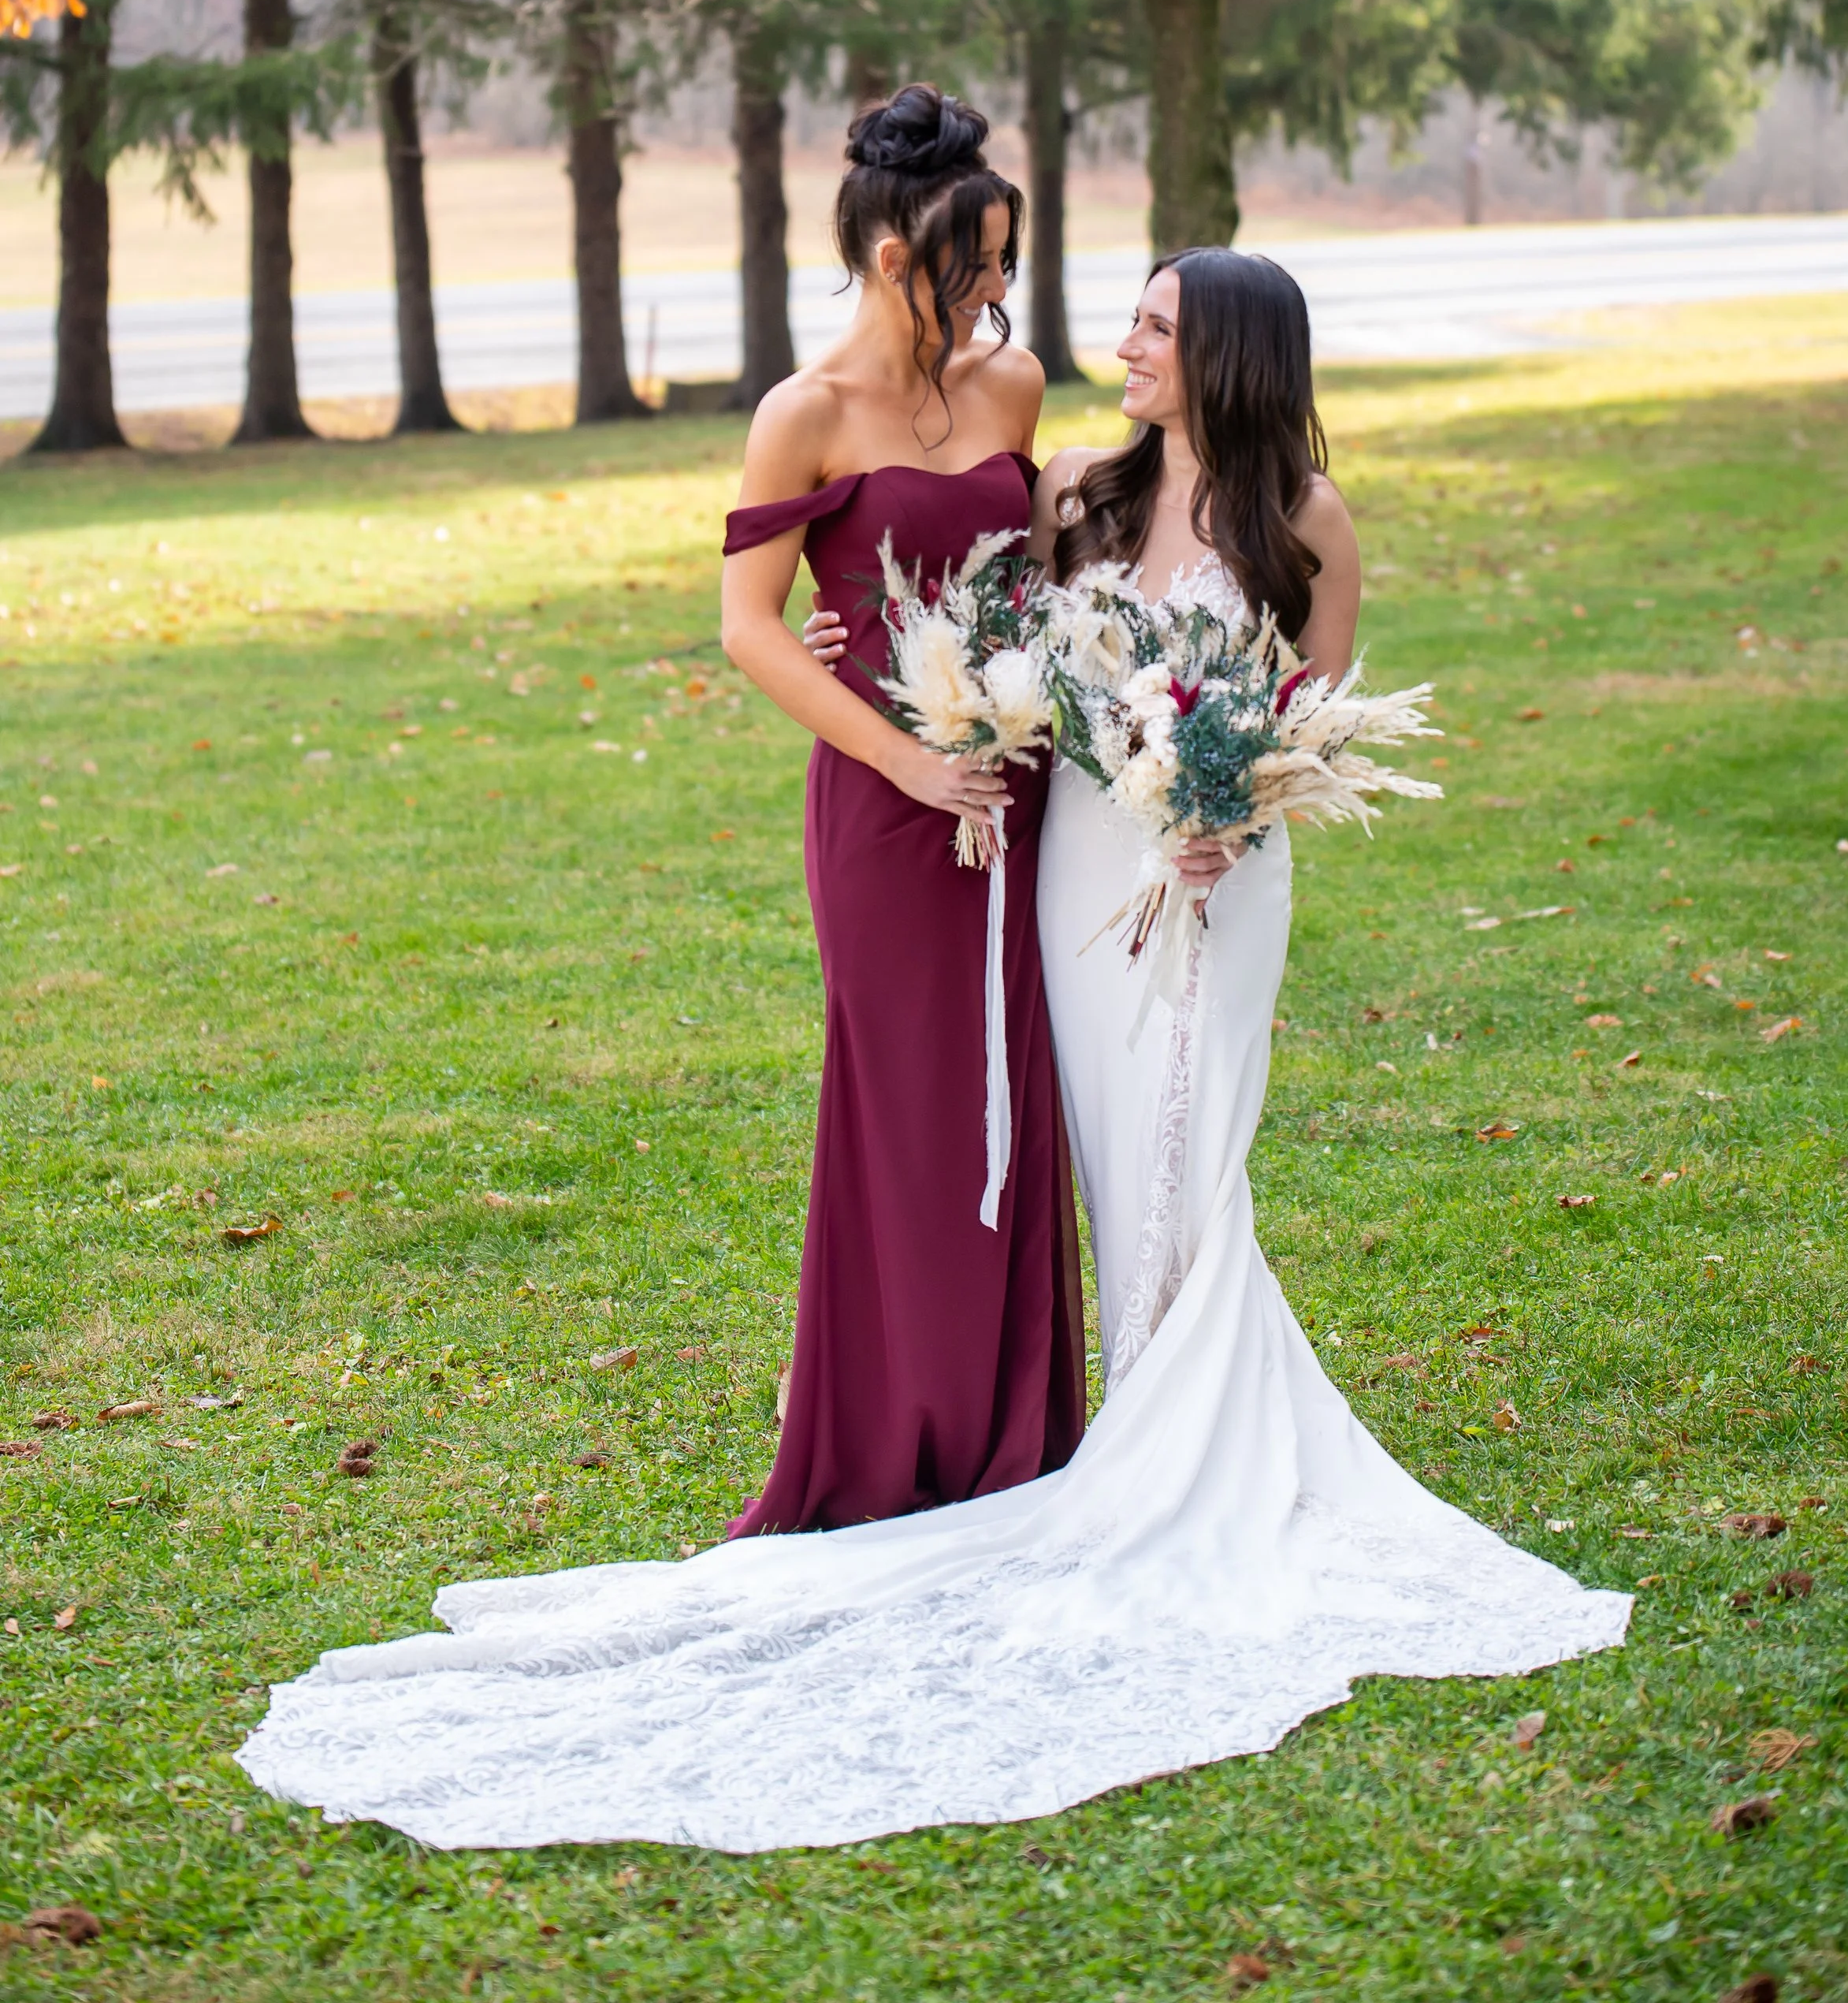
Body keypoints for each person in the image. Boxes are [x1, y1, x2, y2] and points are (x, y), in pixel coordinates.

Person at [233, 241, 1626, 1859]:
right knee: (1110, 1153)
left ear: (1232, 352)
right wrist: (854, 650)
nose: (1125, 343)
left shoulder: (1304, 520)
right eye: (1134, 320)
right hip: (1081, 869)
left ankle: (1180, 1459)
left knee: (1196, 1155)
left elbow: (1311, 710)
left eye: (1158, 327)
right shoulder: (1087, 497)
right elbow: (979, 628)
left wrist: (1230, 816)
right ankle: (1145, 1437)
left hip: (1216, 886)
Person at [716, 83, 1084, 1532]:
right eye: (974, 262)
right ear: (890, 258)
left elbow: (1044, 574)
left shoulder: (1011, 386)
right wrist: (902, 751)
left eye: (1006, 261)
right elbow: (749, 625)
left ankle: (1019, 1426)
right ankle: (891, 1433)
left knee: (1022, 1083)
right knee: (908, 1106)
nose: (997, 291)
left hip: (1023, 781)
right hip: (886, 802)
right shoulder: (802, 415)